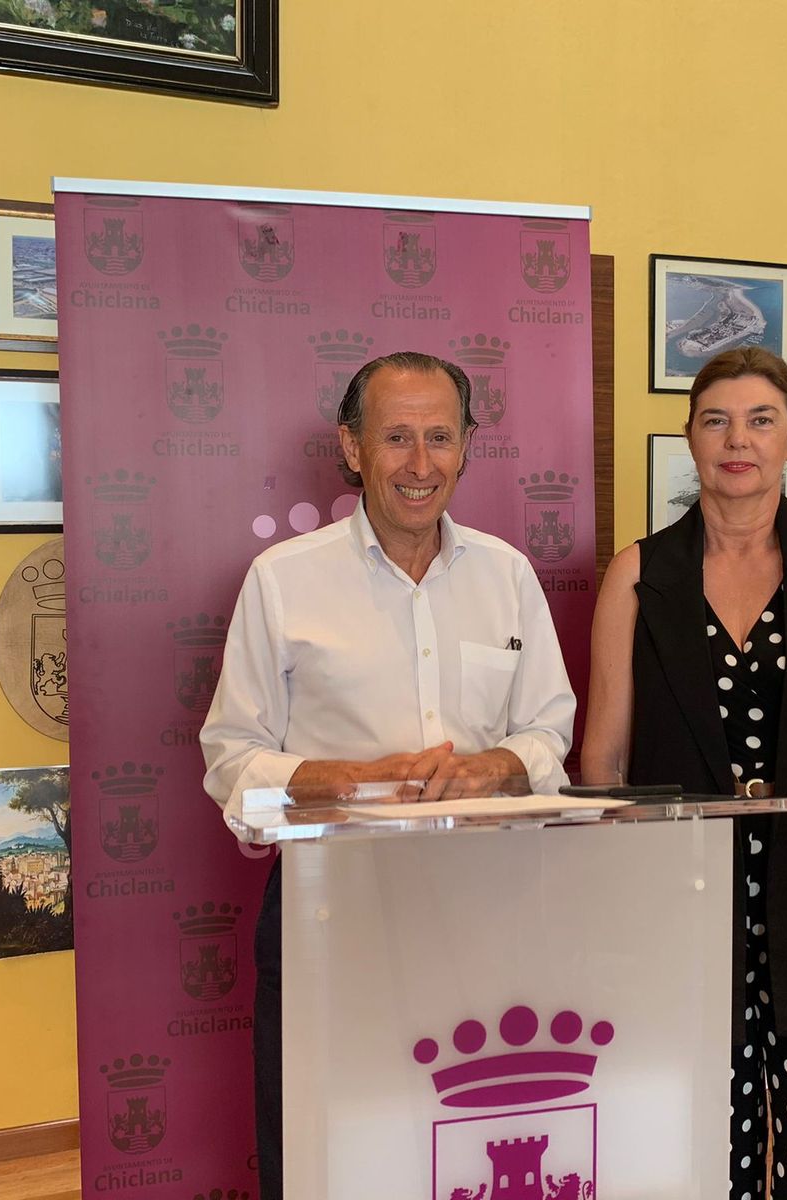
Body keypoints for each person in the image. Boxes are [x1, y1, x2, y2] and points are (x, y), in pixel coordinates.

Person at [199, 350, 576, 1200]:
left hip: (487, 910)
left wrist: (501, 764)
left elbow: (551, 725)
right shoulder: (284, 581)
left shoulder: (509, 576)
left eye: (440, 437)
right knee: (325, 1145)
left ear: (468, 446)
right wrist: (347, 778)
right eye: (396, 438)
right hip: (331, 909)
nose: (420, 463)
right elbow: (230, 752)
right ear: (353, 448)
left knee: (467, 1148)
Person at [579, 346, 787, 1199]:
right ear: (691, 439)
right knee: (698, 1160)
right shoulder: (639, 574)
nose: (740, 440)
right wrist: (614, 910)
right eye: (717, 420)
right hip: (681, 911)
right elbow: (602, 761)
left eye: (762, 420)